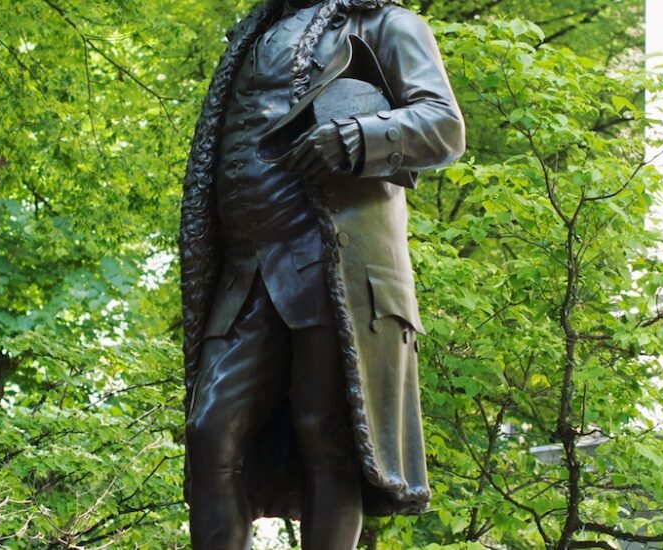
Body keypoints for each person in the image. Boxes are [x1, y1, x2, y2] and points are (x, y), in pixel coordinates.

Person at [178, 0, 465, 548]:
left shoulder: (388, 24)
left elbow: (445, 127)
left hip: (334, 261)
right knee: (209, 431)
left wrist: (359, 135)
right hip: (247, 272)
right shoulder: (251, 36)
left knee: (326, 435)